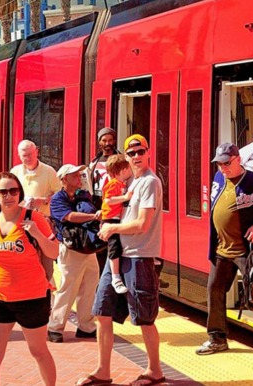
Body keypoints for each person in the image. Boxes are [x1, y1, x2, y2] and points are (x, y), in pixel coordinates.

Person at [78, 134, 165, 386]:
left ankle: (155, 370)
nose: (136, 156)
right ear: (126, 156)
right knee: (102, 313)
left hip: (140, 257)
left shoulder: (150, 182)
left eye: (141, 151)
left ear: (148, 153)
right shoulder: (133, 182)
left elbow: (142, 224)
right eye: (132, 153)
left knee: (145, 318)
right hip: (119, 256)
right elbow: (121, 209)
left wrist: (112, 229)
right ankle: (103, 371)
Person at [0, 172, 59, 386]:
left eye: (13, 191)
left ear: (19, 193)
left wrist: (37, 233)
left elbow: (54, 252)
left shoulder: (34, 218)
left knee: (38, 351)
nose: (8, 195)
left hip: (32, 297)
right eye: (3, 191)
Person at [197, 142, 253, 355]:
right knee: (214, 290)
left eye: (226, 163)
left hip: (246, 250)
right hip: (222, 250)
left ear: (238, 159)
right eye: (219, 164)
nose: (223, 168)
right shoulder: (218, 178)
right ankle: (217, 338)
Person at [47, 164, 101, 343]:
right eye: (74, 175)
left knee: (90, 285)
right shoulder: (57, 199)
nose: (79, 177)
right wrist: (93, 217)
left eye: (79, 174)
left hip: (87, 246)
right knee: (68, 287)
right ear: (64, 180)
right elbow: (69, 217)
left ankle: (86, 326)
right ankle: (55, 327)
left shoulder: (83, 195)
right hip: (70, 248)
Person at [101, 154, 133, 294]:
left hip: (115, 218)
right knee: (114, 248)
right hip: (110, 219)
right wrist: (125, 197)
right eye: (128, 168)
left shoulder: (120, 183)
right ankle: (115, 277)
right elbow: (108, 200)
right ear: (122, 171)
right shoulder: (113, 184)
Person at [10, 140, 61, 217]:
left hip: (42, 219)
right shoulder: (14, 172)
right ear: (19, 156)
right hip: (19, 218)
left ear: (37, 152)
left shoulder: (49, 171)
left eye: (30, 154)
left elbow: (60, 195)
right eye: (24, 155)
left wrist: (44, 200)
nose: (28, 158)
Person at [88, 127, 120, 209]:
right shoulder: (94, 162)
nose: (107, 143)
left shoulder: (121, 160)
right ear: (99, 142)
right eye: (104, 140)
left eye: (110, 140)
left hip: (115, 203)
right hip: (97, 203)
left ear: (114, 141)